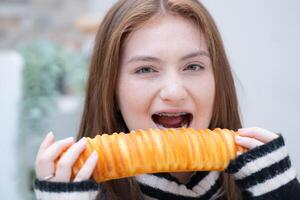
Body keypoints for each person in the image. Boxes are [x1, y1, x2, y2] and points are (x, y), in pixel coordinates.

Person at [33, 0, 300, 199]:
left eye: (193, 66)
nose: (174, 91)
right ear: (111, 89)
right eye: (145, 69)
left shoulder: (266, 186)